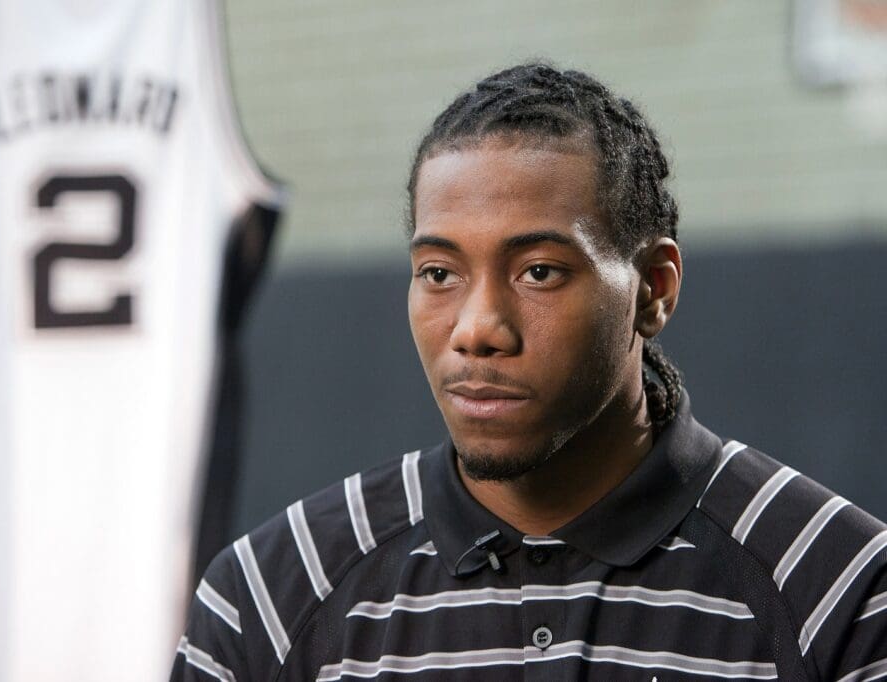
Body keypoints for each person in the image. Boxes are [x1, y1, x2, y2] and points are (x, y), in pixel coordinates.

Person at [171, 62, 887, 681]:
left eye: (539, 271)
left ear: (654, 289)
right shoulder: (271, 594)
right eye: (439, 272)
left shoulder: (838, 589)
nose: (479, 328)